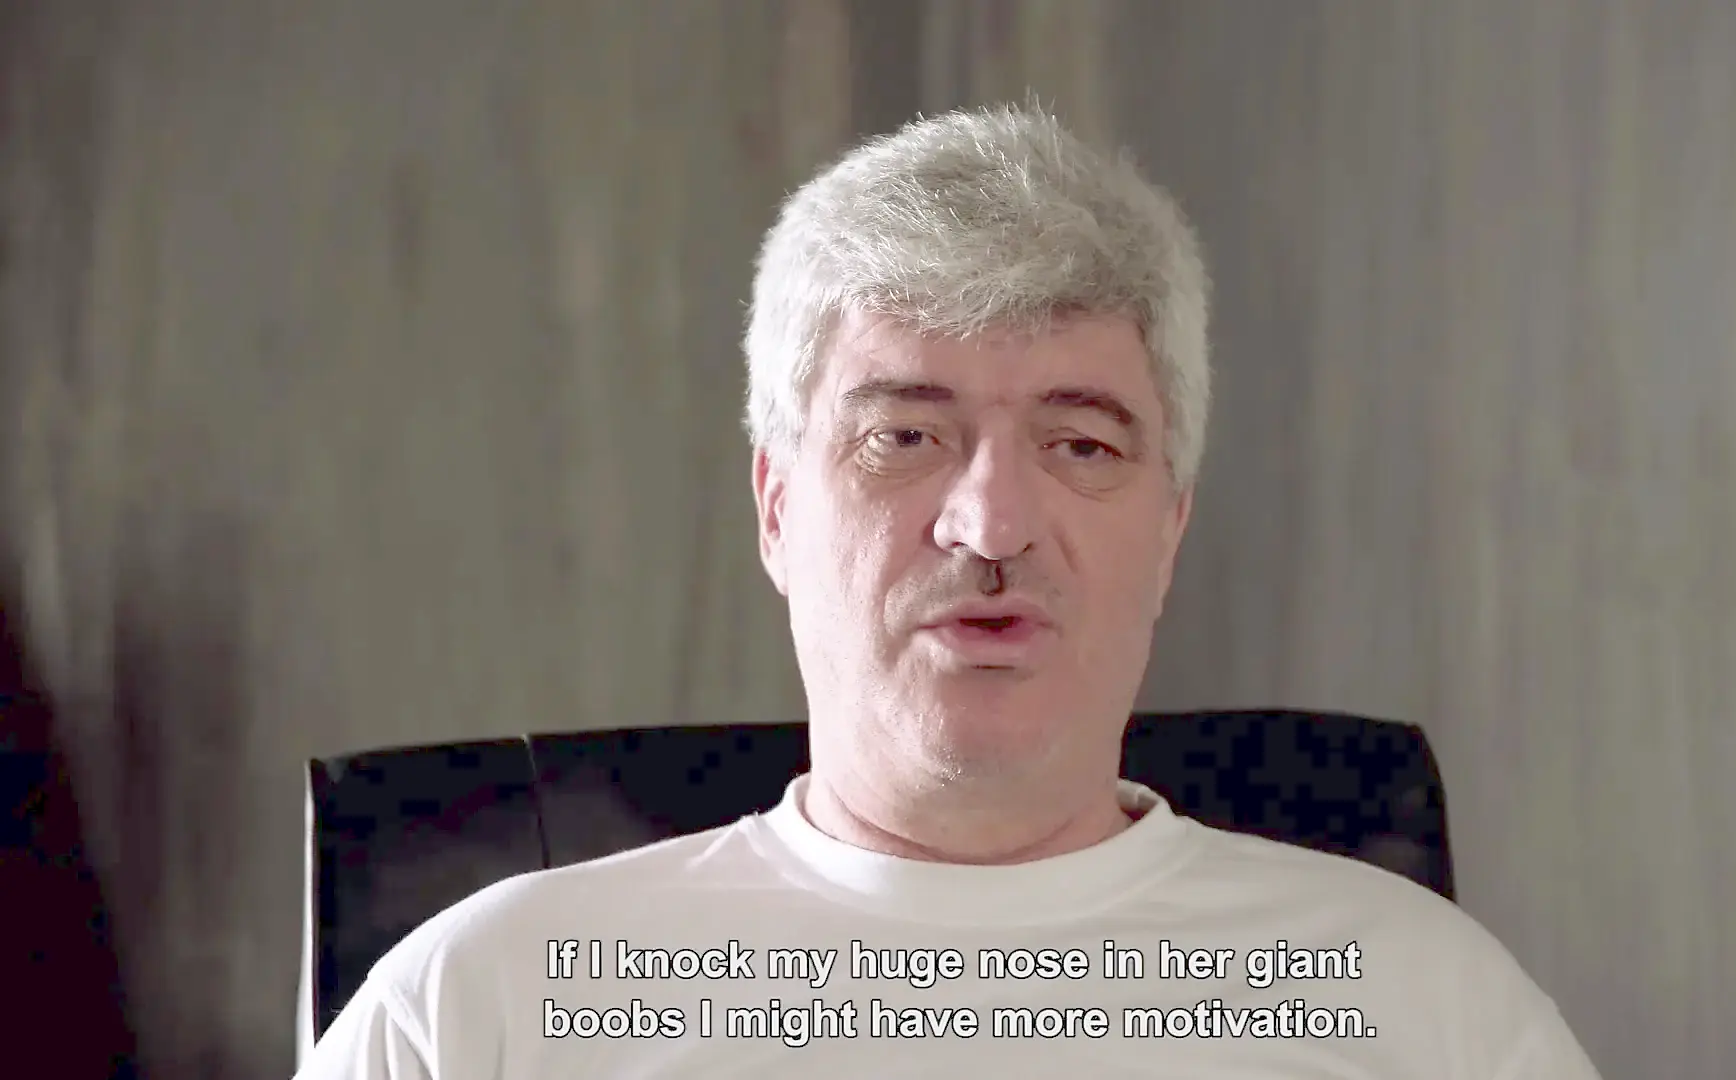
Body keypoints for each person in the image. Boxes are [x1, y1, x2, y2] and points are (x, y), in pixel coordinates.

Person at [298, 104, 1603, 1078]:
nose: (991, 524)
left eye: (1080, 444)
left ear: (1169, 531)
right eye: (905, 435)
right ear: (777, 508)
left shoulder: (1426, 1015)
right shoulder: (479, 1014)